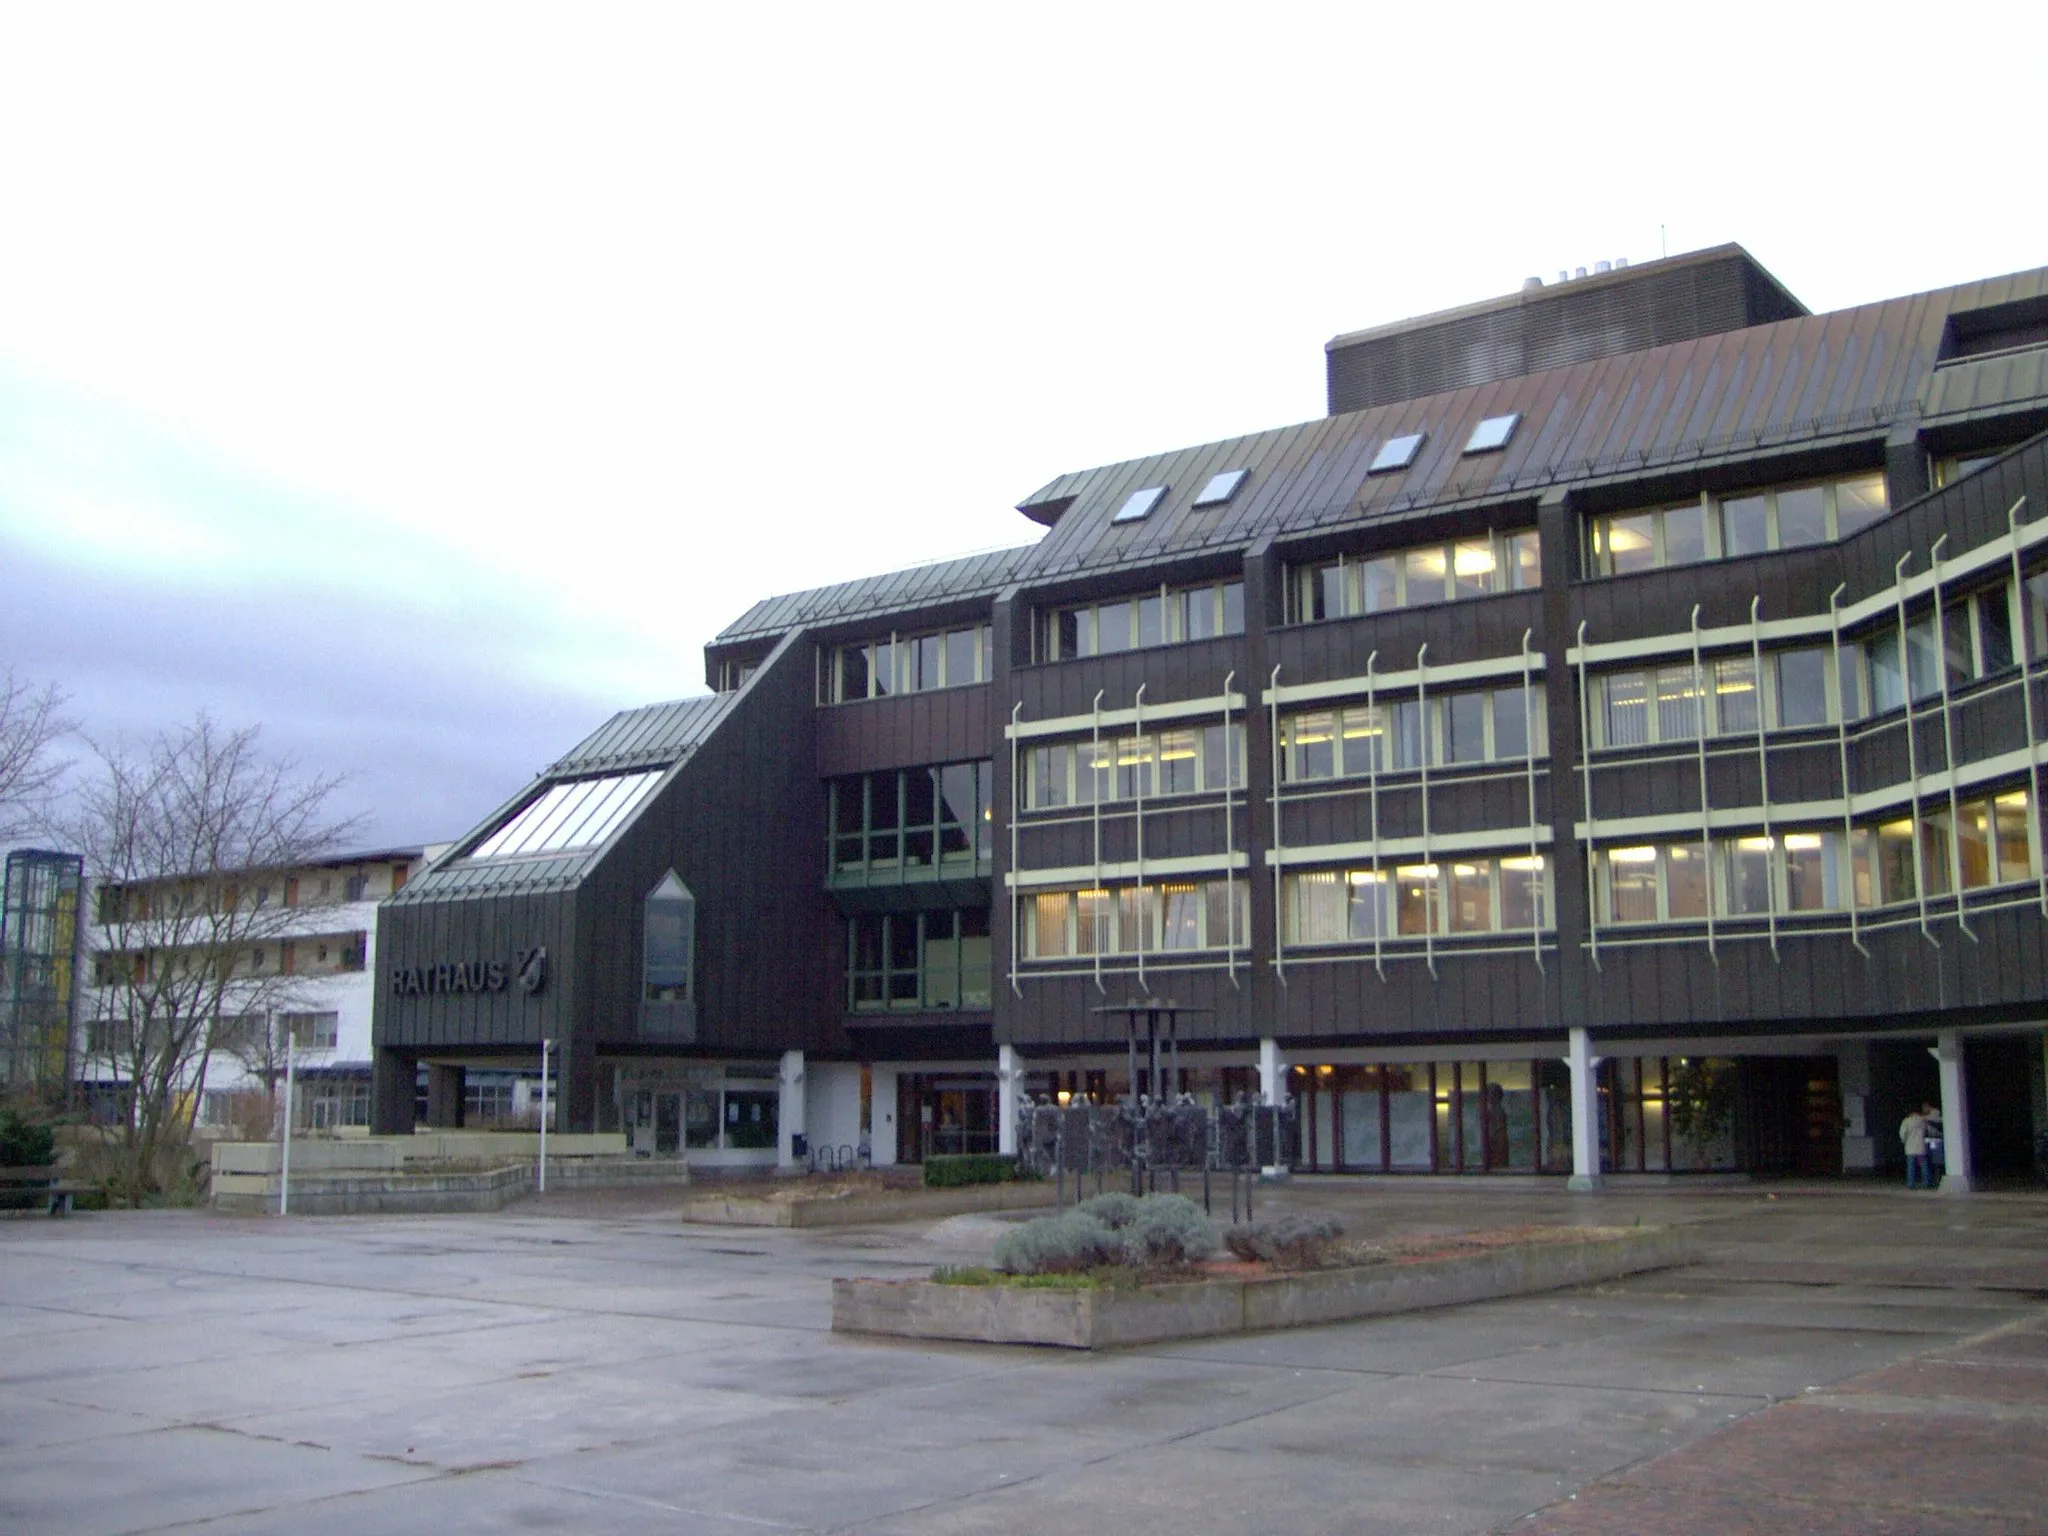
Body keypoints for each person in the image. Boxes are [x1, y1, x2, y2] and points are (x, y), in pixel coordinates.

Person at [1900, 1101, 1940, 1189]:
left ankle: (1911, 1184)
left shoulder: (1906, 1121)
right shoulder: (1922, 1120)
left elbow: (1903, 1134)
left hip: (1910, 1148)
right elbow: (1928, 1131)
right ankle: (1927, 1183)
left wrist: (1904, 1141)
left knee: (1911, 1167)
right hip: (1921, 1147)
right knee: (1924, 1166)